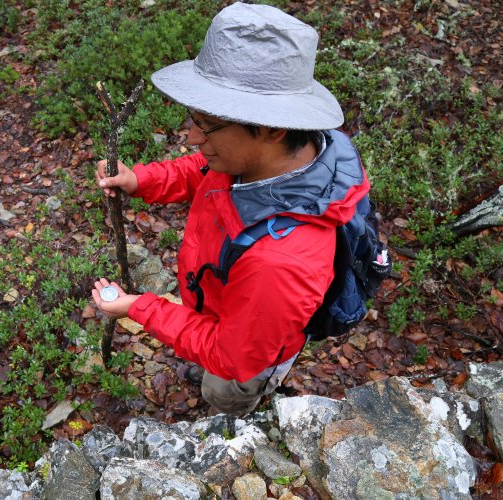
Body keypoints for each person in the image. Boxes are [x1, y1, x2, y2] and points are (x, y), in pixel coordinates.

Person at [90, 2, 370, 416]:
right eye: (193, 119)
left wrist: (138, 308)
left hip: (246, 352)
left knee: (224, 389)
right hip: (223, 307)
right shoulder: (263, 159)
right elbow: (204, 169)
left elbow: (236, 357)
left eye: (207, 124)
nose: (191, 137)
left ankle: (235, 416)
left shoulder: (280, 263)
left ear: (274, 127)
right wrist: (142, 180)